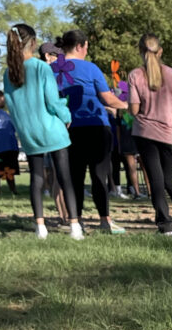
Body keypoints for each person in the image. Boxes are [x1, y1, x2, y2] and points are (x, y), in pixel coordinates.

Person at [1, 23, 83, 240]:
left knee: (36, 179)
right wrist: (66, 116)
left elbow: (13, 106)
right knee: (65, 177)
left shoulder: (7, 74)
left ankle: (40, 227)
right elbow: (53, 101)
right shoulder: (41, 67)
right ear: (33, 43)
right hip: (51, 130)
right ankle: (75, 226)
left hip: (28, 134)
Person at [54, 29, 129, 233]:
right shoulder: (90, 68)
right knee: (99, 176)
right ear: (80, 46)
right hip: (95, 127)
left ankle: (76, 221)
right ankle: (105, 220)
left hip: (68, 130)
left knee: (75, 178)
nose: (87, 51)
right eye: (86, 47)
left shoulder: (52, 69)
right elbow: (107, 97)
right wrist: (127, 106)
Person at [128, 34, 172, 235]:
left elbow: (134, 110)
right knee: (169, 179)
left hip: (145, 132)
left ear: (140, 51)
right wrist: (170, 111)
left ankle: (165, 224)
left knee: (156, 179)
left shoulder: (135, 75)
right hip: (168, 132)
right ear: (160, 52)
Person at [37, 41, 70, 224]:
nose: (59, 59)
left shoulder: (36, 73)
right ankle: (65, 215)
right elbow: (53, 101)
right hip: (54, 126)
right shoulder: (47, 73)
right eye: (56, 55)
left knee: (57, 174)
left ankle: (64, 215)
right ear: (47, 56)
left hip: (44, 127)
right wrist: (65, 115)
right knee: (60, 173)